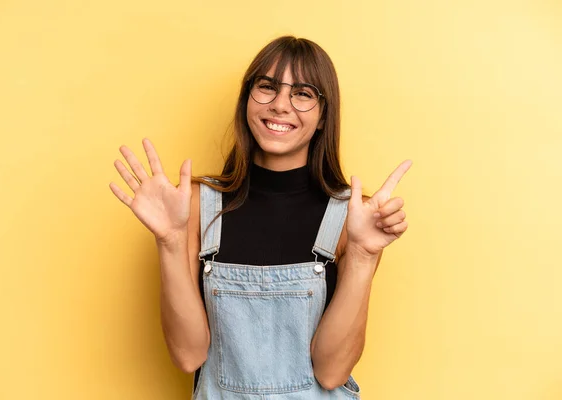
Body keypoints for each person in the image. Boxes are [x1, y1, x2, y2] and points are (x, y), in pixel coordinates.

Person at [110, 35, 412, 399]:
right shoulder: (193, 207)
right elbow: (189, 356)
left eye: (302, 93)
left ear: (322, 117)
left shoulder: (353, 218)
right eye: (267, 87)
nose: (280, 105)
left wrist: (364, 256)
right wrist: (170, 241)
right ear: (246, 101)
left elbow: (331, 373)